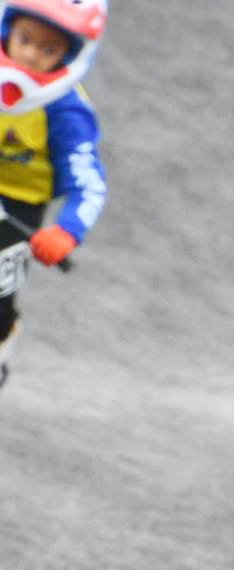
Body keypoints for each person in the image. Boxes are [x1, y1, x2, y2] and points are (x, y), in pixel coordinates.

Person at [0, 0, 107, 384]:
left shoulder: (65, 110)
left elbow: (89, 185)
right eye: (25, 39)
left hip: (18, 211)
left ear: (68, 54)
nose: (30, 55)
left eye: (48, 49)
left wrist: (65, 231)